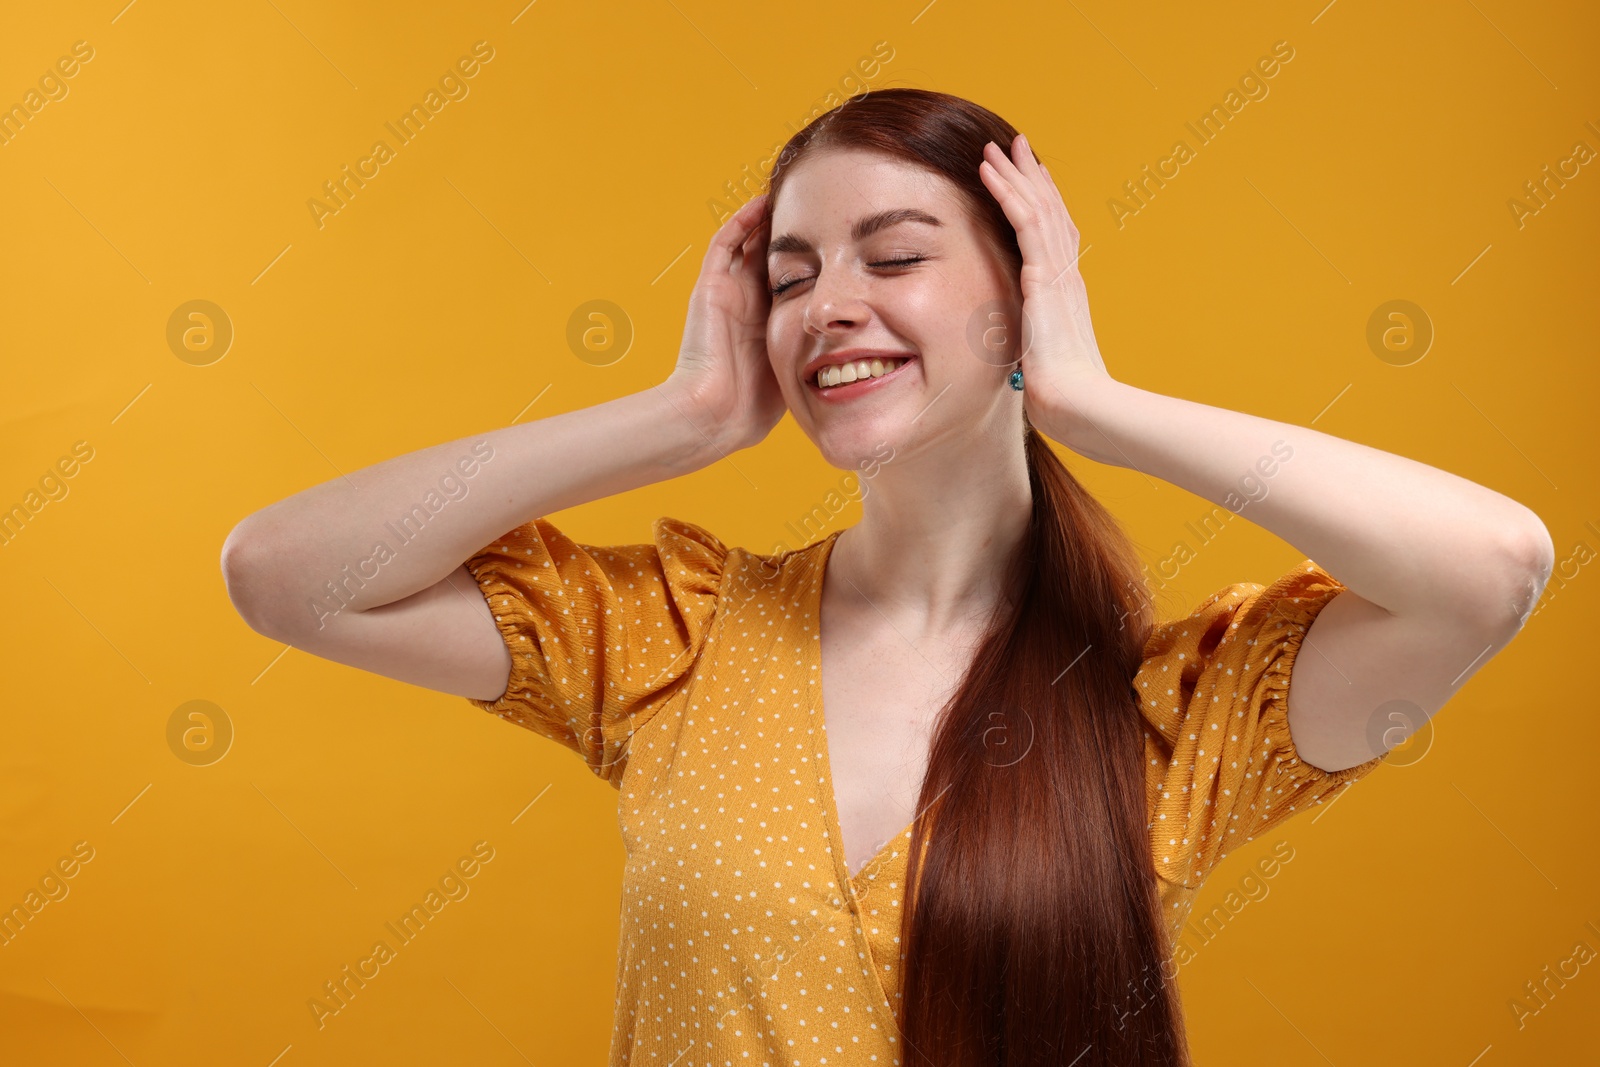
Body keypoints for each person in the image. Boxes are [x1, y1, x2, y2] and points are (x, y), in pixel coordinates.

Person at [220, 88, 1553, 1067]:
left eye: (898, 257)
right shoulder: (677, 635)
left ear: (1024, 294)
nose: (828, 307)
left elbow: (1490, 568)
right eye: (791, 278)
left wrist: (1093, 399)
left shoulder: (1173, 710)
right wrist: (676, 415)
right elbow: (287, 576)